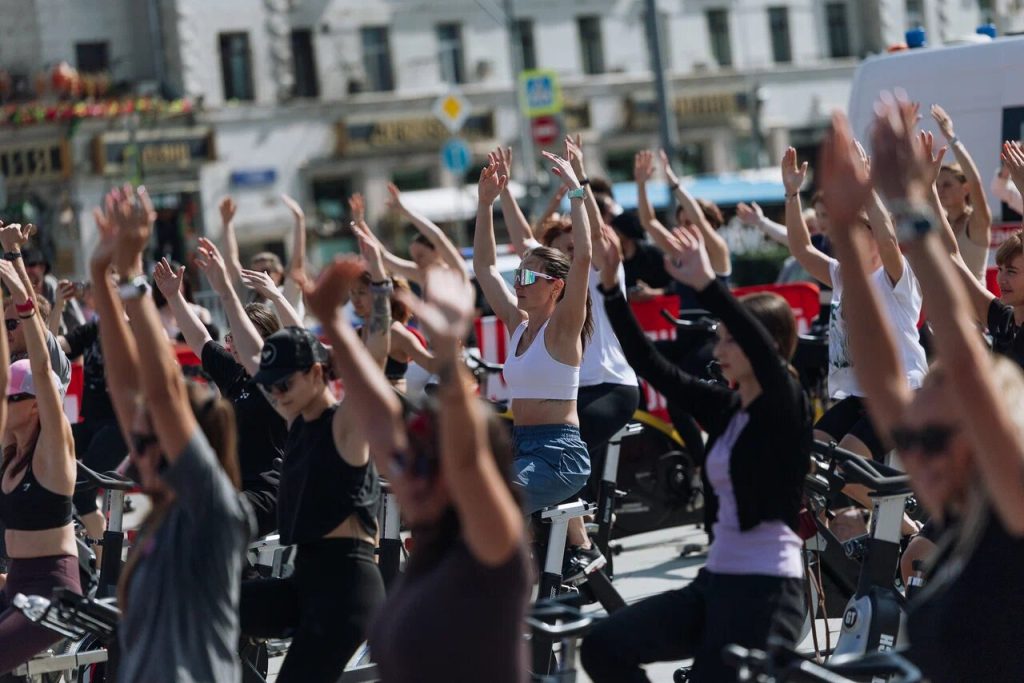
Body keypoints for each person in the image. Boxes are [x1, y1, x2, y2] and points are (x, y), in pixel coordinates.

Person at [820, 97, 1024, 683]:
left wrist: (908, 206)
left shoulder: (1013, 500)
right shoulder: (968, 505)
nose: (918, 457)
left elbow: (959, 346)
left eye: (934, 440)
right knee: (915, 557)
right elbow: (888, 380)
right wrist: (846, 230)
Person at [584, 221, 809, 682]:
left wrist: (707, 284)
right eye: (718, 337)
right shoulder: (727, 408)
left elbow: (761, 351)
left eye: (730, 339)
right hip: (715, 583)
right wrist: (610, 289)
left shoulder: (786, 406)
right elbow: (649, 363)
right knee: (603, 646)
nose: (718, 348)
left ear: (764, 345)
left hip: (766, 592)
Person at [88, 184, 251, 683]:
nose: (138, 455)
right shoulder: (161, 517)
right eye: (138, 443)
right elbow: (127, 390)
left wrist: (132, 275)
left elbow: (161, 396)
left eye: (150, 443)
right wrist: (100, 277)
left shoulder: (215, 510)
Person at [360, 267, 531, 682]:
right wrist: (330, 319)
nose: (410, 479)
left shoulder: (493, 549)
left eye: (426, 466)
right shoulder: (430, 547)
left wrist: (449, 355)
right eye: (406, 464)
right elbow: (375, 422)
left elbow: (467, 461)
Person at [239, 262, 386, 681]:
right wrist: (227, 293)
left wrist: (379, 286)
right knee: (208, 604)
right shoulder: (296, 421)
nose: (277, 393)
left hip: (346, 590)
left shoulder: (345, 425)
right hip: (305, 581)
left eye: (285, 384)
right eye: (272, 386)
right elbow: (253, 355)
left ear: (316, 373)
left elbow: (375, 356)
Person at [472, 149, 594, 535]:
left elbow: (583, 258)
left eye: (527, 278)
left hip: (559, 454)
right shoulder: (518, 324)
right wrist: (484, 204)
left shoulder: (563, 328)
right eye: (518, 276)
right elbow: (485, 268)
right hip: (521, 445)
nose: (518, 284)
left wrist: (576, 191)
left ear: (556, 287)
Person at [153, 256, 287, 540]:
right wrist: (174, 297)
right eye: (231, 336)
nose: (233, 343)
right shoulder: (234, 373)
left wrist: (266, 295)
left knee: (212, 521)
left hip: (268, 493)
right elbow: (200, 339)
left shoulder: (278, 380)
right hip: (230, 487)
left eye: (242, 335)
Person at [0, 225, 81, 674]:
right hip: (16, 584)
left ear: (34, 404)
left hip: (53, 596)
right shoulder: (10, 451)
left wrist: (24, 301)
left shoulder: (51, 452)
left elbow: (44, 364)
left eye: (11, 398)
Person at [348, 224, 436, 392]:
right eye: (351, 292)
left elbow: (431, 365)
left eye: (361, 292)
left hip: (394, 405)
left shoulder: (396, 332)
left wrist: (450, 349)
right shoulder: (358, 332)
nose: (355, 299)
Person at [220, 194, 307, 321]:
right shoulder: (249, 296)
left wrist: (300, 220)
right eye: (255, 272)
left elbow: (297, 264)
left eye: (265, 271)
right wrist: (227, 223)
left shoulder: (287, 293)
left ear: (278, 274)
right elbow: (231, 261)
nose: (259, 276)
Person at [931, 104, 992, 283]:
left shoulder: (977, 222)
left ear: (965, 189)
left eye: (947, 185)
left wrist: (951, 136)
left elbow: (975, 181)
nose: (940, 190)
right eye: (938, 185)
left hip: (975, 302)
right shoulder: (940, 223)